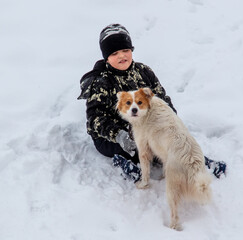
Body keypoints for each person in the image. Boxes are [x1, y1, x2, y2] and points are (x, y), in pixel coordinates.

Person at [78, 23, 226, 182]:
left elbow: (162, 99)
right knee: (135, 147)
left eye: (125, 50)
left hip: (145, 126)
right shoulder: (101, 82)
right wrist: (119, 135)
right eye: (115, 53)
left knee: (172, 143)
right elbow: (96, 119)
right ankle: (126, 163)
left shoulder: (143, 72)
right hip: (114, 135)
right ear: (106, 57)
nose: (122, 56)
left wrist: (169, 122)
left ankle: (198, 163)